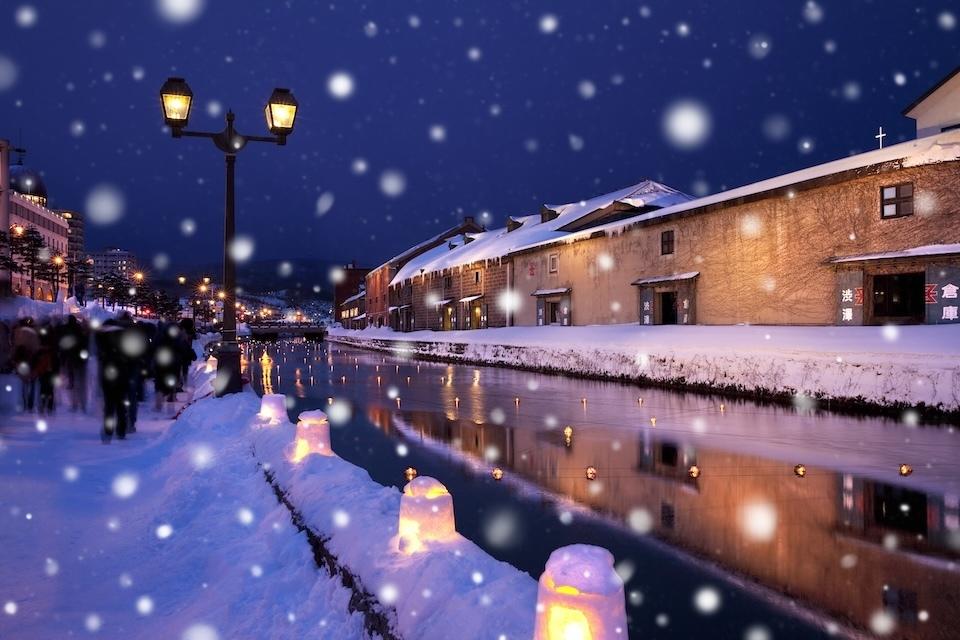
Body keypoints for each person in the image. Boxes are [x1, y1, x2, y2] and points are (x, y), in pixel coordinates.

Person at [95, 320, 130, 442]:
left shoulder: (102, 338)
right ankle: (121, 431)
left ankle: (108, 430)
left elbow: (98, 354)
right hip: (122, 374)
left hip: (107, 375)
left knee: (109, 405)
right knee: (121, 404)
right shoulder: (123, 338)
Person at [58, 315, 90, 413]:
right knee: (81, 382)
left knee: (72, 383)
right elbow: (85, 344)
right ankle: (83, 404)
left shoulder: (65, 331)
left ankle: (74, 404)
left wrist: (63, 359)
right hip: (80, 360)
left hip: (70, 359)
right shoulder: (80, 330)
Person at [12, 318, 40, 412]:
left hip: (21, 360)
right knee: (32, 382)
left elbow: (14, 346)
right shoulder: (34, 333)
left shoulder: (17, 332)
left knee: (24, 383)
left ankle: (24, 402)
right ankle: (30, 403)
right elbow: (37, 347)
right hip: (32, 360)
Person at [34, 322, 59, 415]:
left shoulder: (41, 346)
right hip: (51, 368)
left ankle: (43, 405)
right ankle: (49, 406)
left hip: (43, 369)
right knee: (50, 388)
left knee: (43, 388)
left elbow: (36, 357)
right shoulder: (54, 346)